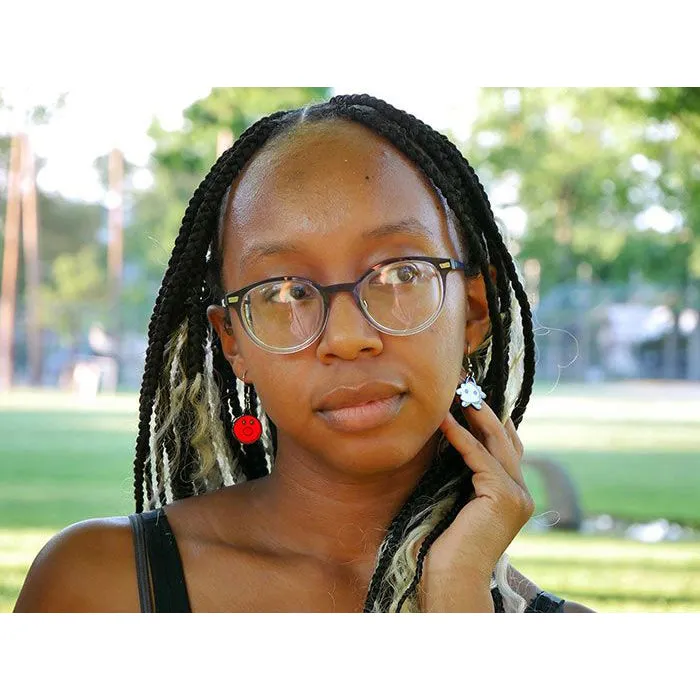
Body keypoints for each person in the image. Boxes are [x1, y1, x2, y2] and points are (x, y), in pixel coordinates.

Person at [14, 94, 594, 613]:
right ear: (233, 341)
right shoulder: (99, 585)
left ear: (471, 313)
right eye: (284, 291)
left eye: (398, 274)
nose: (346, 338)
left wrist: (456, 597)